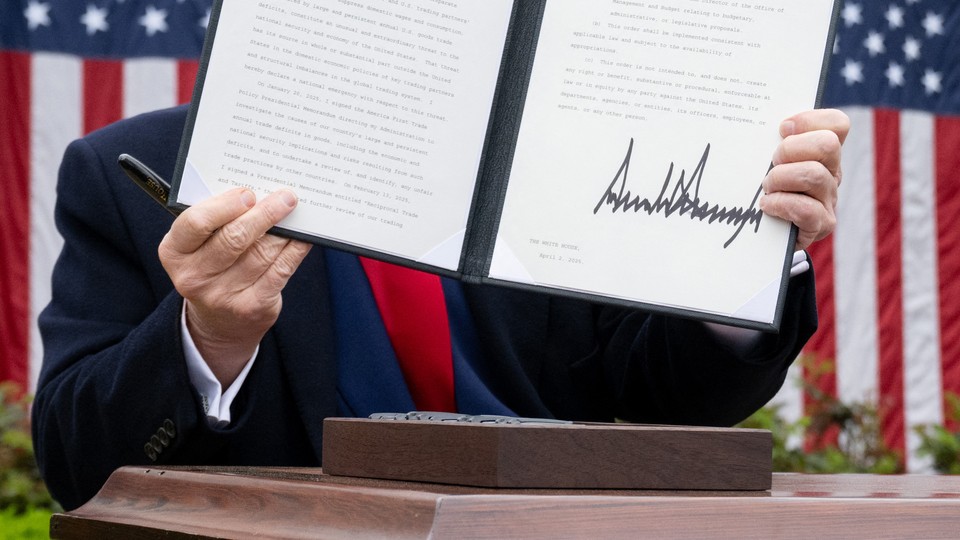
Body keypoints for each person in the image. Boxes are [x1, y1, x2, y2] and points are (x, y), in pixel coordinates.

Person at [31, 104, 848, 510]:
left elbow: (677, 396)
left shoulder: (575, 155)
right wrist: (209, 337)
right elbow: (78, 468)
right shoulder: (131, 170)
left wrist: (743, 245)